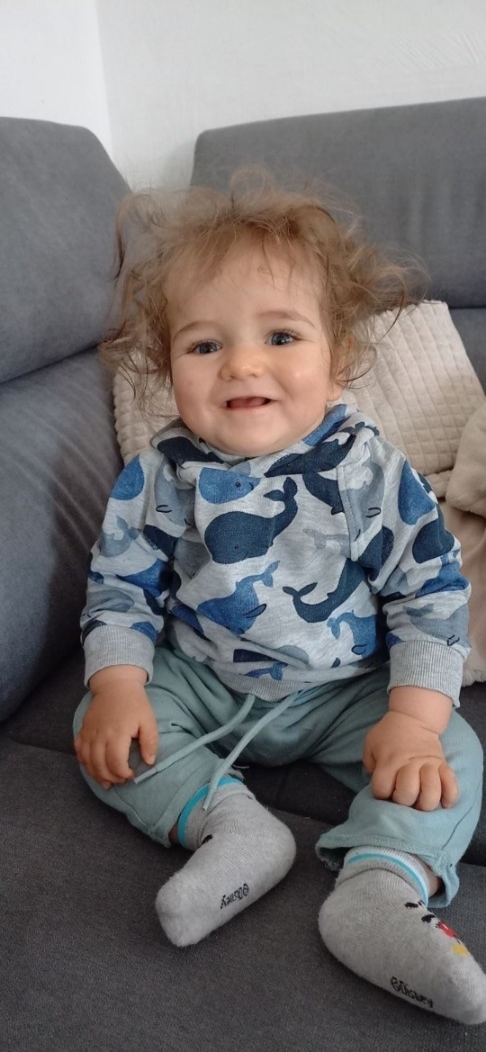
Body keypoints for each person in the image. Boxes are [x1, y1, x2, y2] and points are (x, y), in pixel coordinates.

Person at [74, 176, 486, 1025]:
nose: (242, 364)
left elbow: (430, 591)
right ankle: (230, 825)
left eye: (281, 335)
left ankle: (382, 884)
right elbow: (119, 589)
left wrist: (414, 721)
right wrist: (117, 684)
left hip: (344, 691)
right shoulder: (159, 477)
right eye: (204, 344)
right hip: (204, 680)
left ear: (338, 357)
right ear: (168, 368)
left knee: (456, 752)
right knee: (101, 724)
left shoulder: (368, 471)